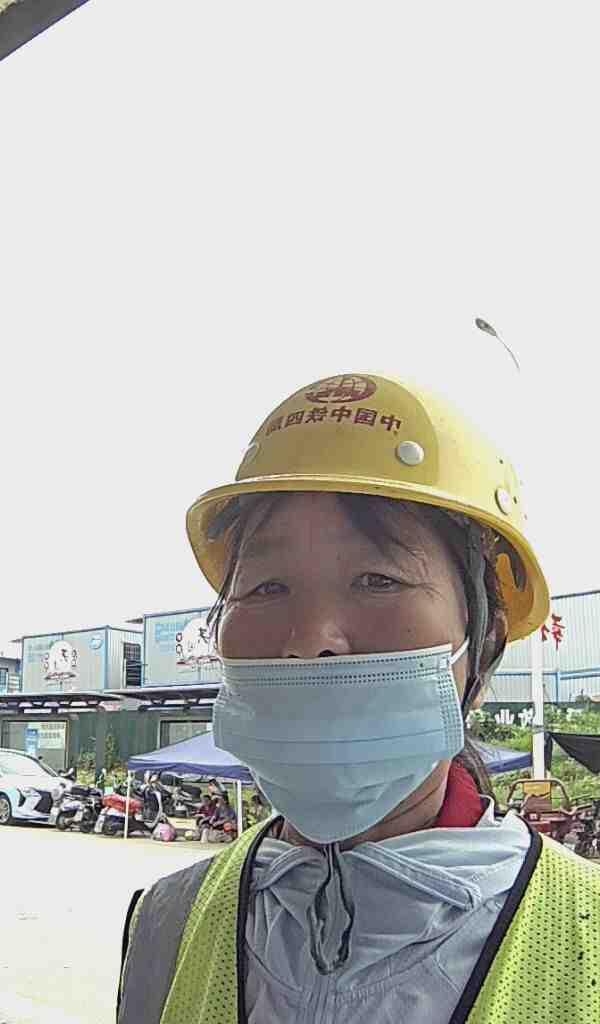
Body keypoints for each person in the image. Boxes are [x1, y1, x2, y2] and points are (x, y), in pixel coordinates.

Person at [118, 367, 600, 1024]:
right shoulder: (165, 924)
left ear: (483, 641)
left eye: (378, 579)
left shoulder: (585, 938)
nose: (311, 640)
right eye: (266, 587)